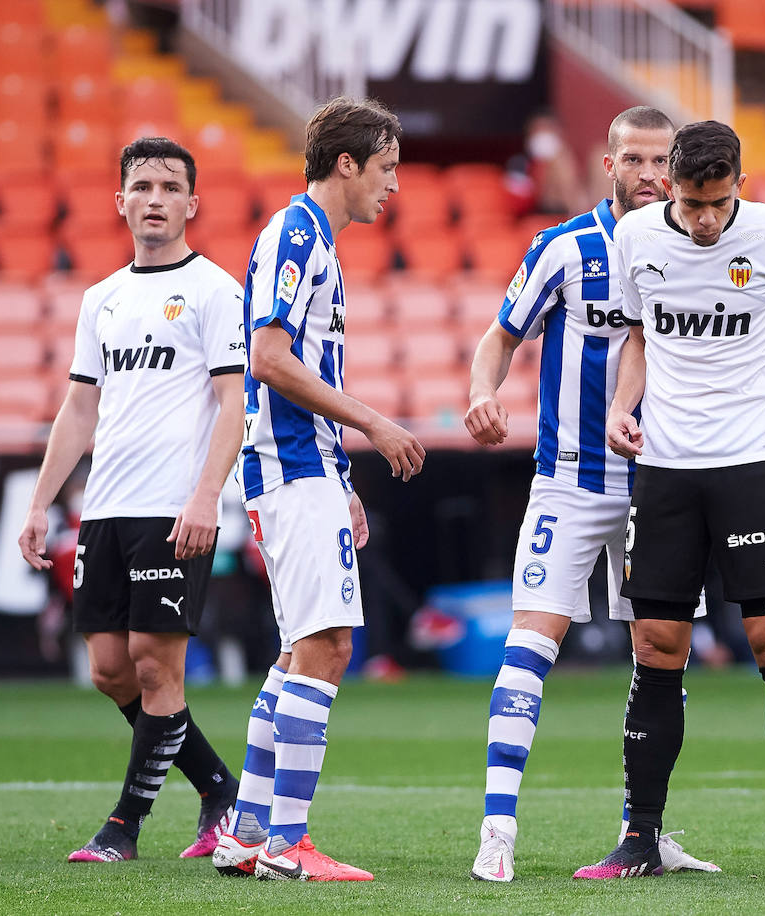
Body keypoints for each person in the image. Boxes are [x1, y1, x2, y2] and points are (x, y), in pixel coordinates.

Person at [573, 120, 765, 881]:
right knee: (655, 648)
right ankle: (641, 837)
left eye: (717, 204)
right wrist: (620, 407)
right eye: (692, 204)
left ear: (738, 183)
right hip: (665, 472)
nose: (704, 220)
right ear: (671, 186)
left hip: (751, 467)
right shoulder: (636, 239)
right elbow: (636, 337)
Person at [464, 105, 721, 882]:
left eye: (661, 163)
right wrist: (482, 391)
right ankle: (497, 829)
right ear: (608, 164)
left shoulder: (702, 248)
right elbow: (504, 334)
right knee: (530, 645)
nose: (650, 176)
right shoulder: (565, 248)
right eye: (635, 161)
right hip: (571, 479)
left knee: (662, 655)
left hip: (665, 486)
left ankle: (645, 831)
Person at [210, 96, 426, 883]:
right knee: (329, 648)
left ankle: (245, 832)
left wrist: (340, 475)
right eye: (387, 167)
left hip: (308, 471)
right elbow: (267, 358)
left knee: (298, 647)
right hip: (289, 470)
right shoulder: (297, 233)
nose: (393, 186)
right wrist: (371, 423)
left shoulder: (317, 244)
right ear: (347, 162)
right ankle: (288, 845)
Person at [17, 136, 245, 863]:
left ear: (191, 203)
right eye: (142, 186)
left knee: (155, 665)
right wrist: (40, 503)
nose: (155, 198)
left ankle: (124, 828)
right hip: (106, 510)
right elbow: (79, 408)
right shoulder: (101, 300)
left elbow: (232, 401)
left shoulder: (214, 289)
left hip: (174, 506)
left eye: (170, 187)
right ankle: (218, 788)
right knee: (110, 671)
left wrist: (207, 496)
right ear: (120, 201)